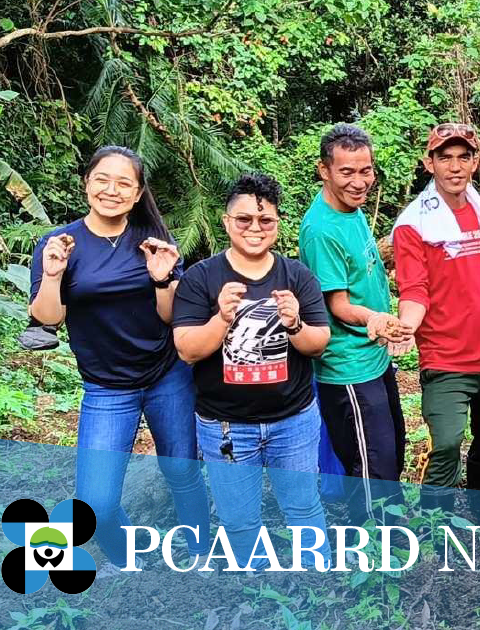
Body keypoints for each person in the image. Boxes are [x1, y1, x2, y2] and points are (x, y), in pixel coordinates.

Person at [29, 146, 210, 576]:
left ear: (136, 193)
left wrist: (163, 277)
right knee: (96, 501)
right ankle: (130, 559)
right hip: (107, 387)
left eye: (123, 183)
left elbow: (171, 316)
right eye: (102, 179)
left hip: (168, 375)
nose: (111, 190)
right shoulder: (60, 244)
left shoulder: (152, 241)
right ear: (87, 183)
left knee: (182, 471)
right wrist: (54, 274)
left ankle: (202, 552)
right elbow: (48, 318)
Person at [173, 173, 332, 570]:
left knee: (303, 507)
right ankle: (257, 588)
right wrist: (222, 318)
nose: (255, 228)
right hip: (225, 425)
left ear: (278, 224)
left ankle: (317, 584)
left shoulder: (296, 276)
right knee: (239, 519)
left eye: (266, 221)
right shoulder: (200, 278)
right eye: (244, 220)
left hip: (293, 420)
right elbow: (187, 350)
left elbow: (318, 343)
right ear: (226, 222)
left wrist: (294, 323)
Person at [392, 122, 480, 527]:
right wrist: (405, 328)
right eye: (444, 157)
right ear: (429, 163)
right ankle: (435, 525)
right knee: (447, 442)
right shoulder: (413, 225)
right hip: (446, 358)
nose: (454, 166)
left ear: (475, 163)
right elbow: (415, 289)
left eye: (463, 157)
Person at [299, 124, 409, 523]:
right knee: (371, 464)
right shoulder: (320, 229)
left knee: (393, 447)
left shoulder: (352, 209)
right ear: (324, 170)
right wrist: (375, 317)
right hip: (347, 366)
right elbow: (339, 304)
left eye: (366, 170)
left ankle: (391, 536)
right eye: (347, 172)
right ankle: (376, 550)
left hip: (373, 356)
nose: (359, 181)